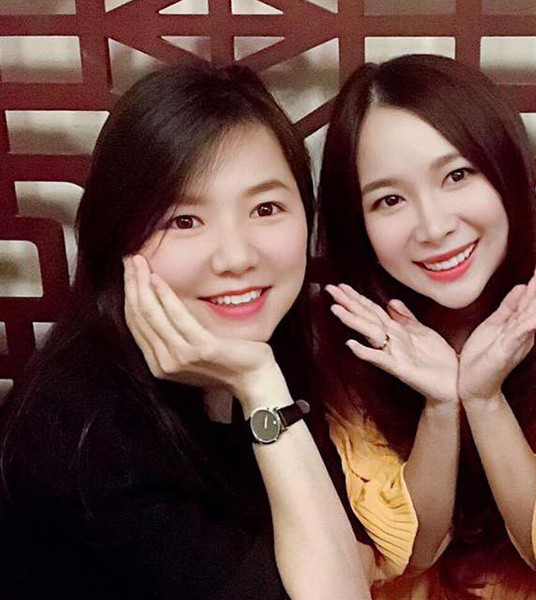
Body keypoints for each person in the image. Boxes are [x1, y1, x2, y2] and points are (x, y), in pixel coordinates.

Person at [0, 62, 371, 600]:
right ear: (118, 240)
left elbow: (356, 552)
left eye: (266, 208)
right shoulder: (86, 432)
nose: (237, 257)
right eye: (184, 220)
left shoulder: (263, 347)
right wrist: (261, 386)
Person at [314, 54, 536, 599]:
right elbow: (409, 553)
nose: (434, 227)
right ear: (358, 221)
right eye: (390, 199)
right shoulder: (351, 327)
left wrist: (484, 401)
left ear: (505, 170)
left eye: (457, 175)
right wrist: (441, 406)